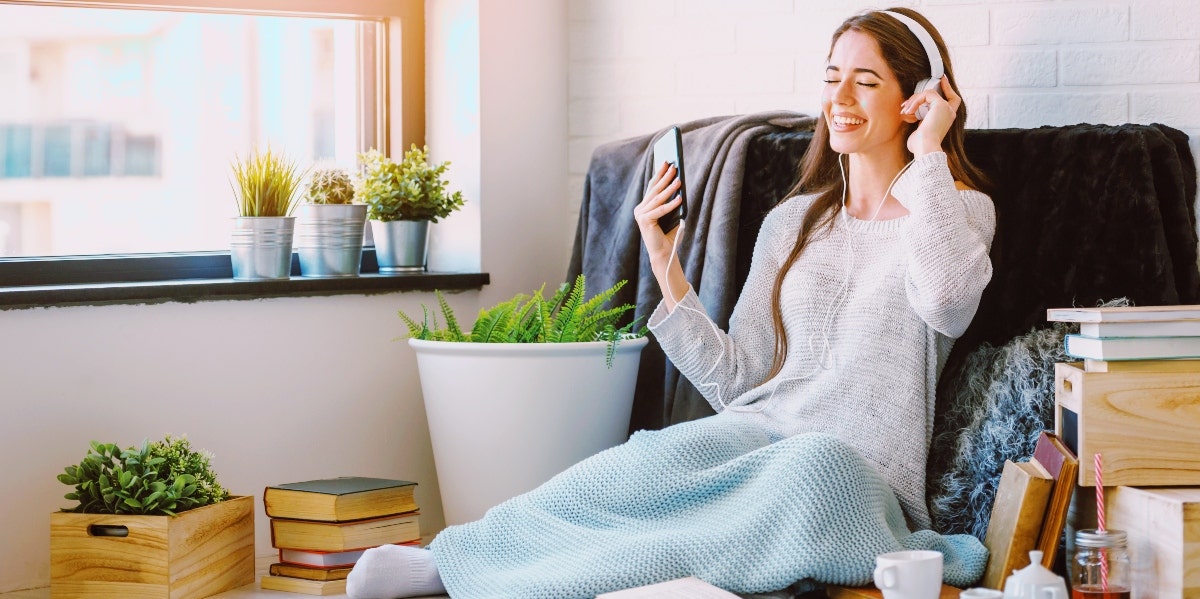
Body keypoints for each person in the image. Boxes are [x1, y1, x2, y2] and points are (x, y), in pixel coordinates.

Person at [346, 7, 996, 599]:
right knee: (637, 462)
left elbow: (947, 302)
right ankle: (453, 558)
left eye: (866, 81)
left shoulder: (956, 208)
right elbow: (741, 380)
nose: (840, 99)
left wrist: (929, 152)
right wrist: (665, 263)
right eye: (832, 78)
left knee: (813, 464)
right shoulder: (792, 222)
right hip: (754, 437)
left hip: (854, 476)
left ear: (917, 98)